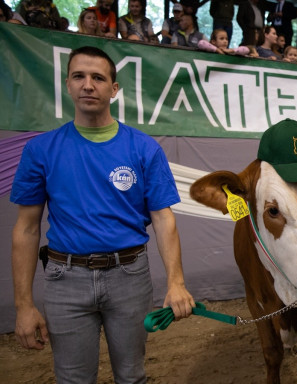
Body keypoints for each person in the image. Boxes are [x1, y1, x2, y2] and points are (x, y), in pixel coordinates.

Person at [10, 46, 194, 383]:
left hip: (130, 277)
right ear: (67, 84)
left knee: (132, 376)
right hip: (65, 280)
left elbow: (164, 218)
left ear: (114, 89)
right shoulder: (40, 150)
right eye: (79, 76)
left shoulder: (143, 148)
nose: (88, 85)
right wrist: (23, 305)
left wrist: (176, 283)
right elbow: (26, 230)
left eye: (98, 77)